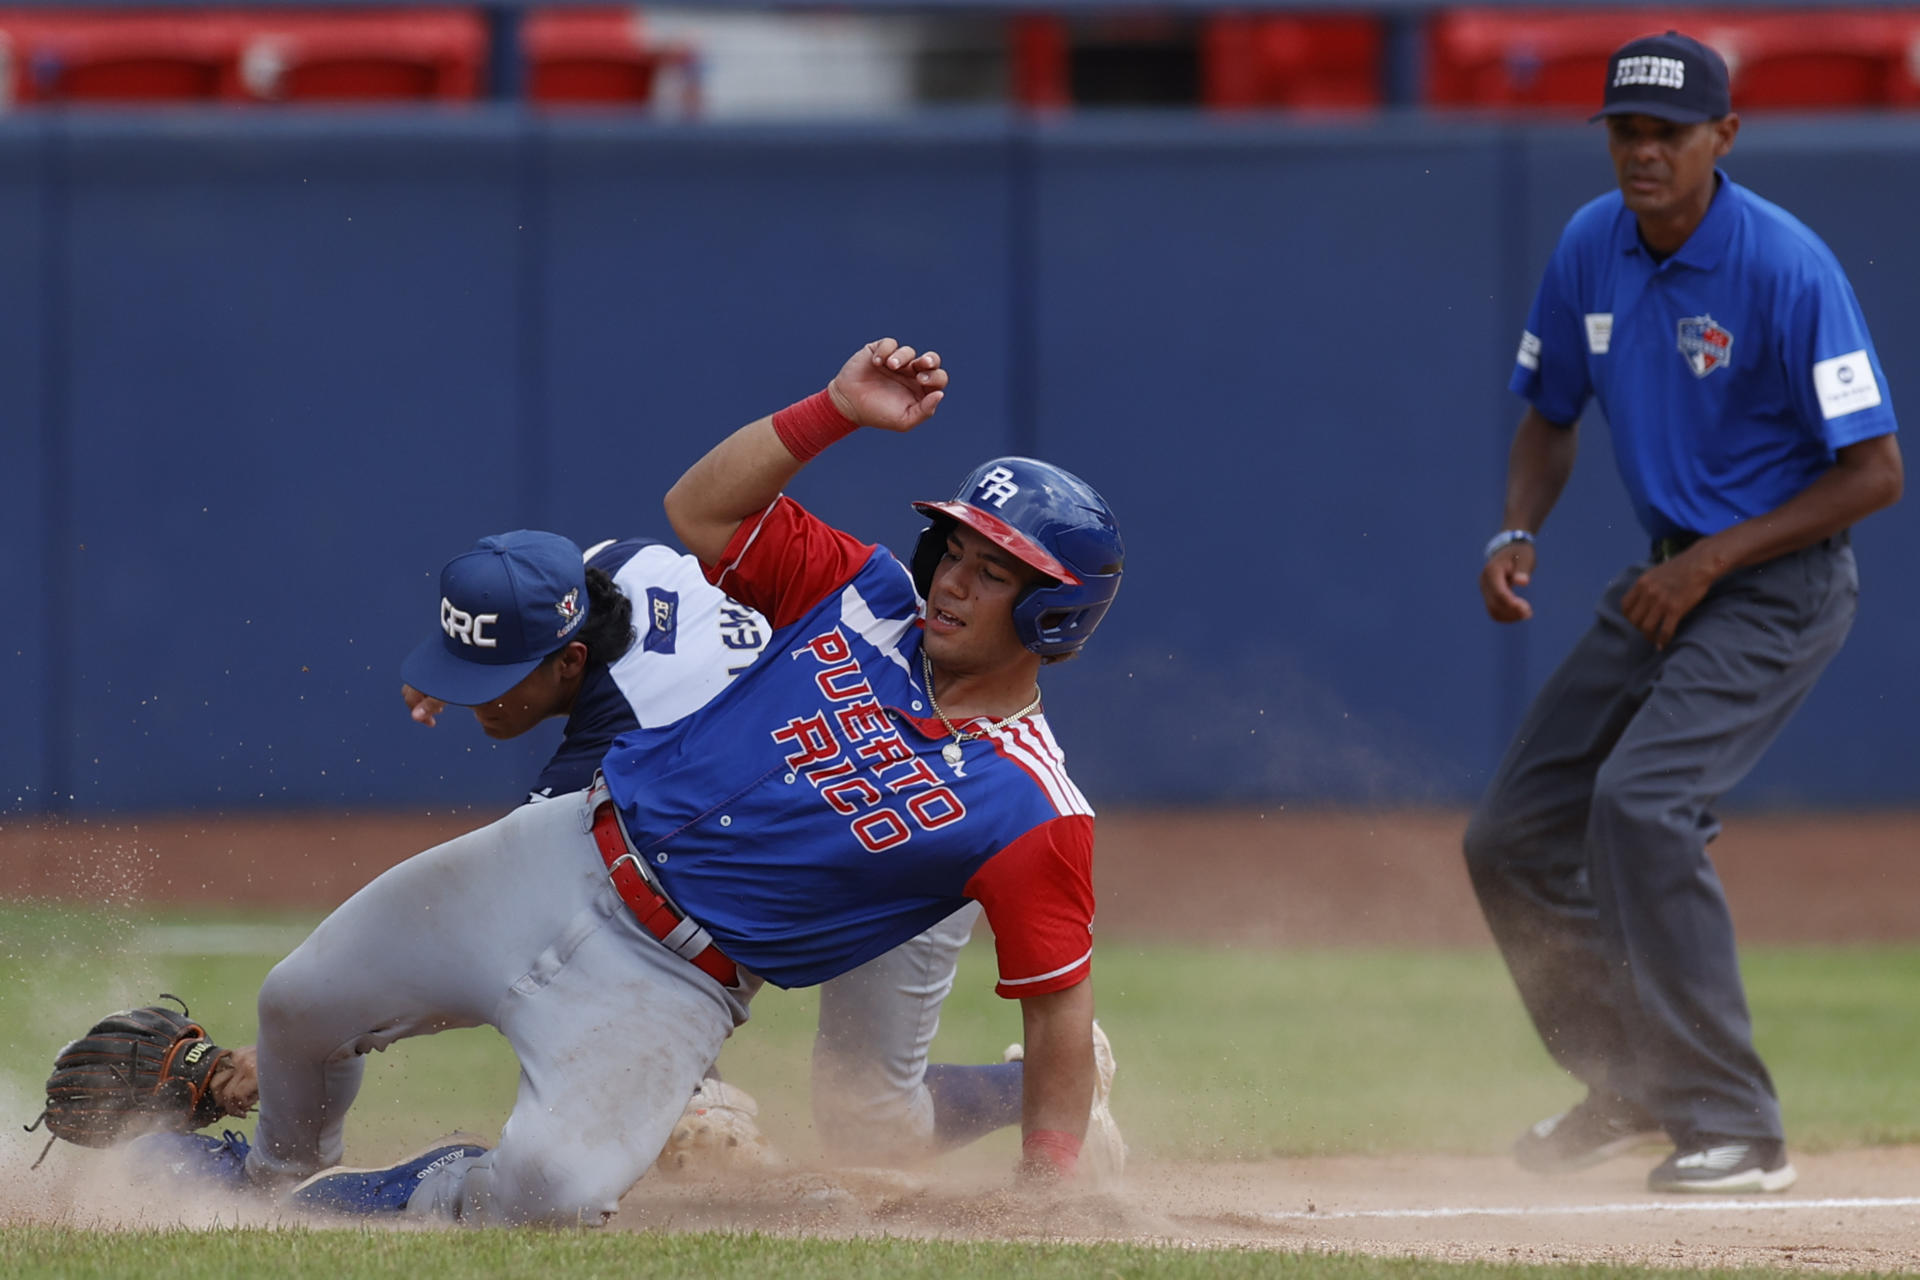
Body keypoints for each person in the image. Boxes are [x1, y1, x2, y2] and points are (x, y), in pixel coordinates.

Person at [202, 337, 1123, 1224]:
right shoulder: (867, 595)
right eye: (954, 553)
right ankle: (274, 1176)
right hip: (564, 849)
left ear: (1052, 616)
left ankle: (405, 1192)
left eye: (993, 573)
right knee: (298, 1001)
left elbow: (1057, 1013)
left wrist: (1049, 1189)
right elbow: (703, 513)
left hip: (682, 977)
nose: (954, 583)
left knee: (546, 1193)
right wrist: (835, 410)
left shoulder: (1030, 806)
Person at [1463, 31, 1902, 1195]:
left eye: (1668, 130)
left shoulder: (1784, 265)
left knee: (1645, 802)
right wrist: (1518, 527)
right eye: (1625, 128)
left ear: (1725, 138)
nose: (1643, 150)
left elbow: (1875, 473)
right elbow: (1549, 410)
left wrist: (1707, 566)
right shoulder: (1589, 245)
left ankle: (1737, 1125)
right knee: (1509, 833)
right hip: (1670, 578)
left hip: (1777, 583)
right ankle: (1632, 1076)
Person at [393, 528, 1121, 1171]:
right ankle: (701, 1091)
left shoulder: (632, 746)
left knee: (870, 1124)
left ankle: (1061, 1080)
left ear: (571, 659)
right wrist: (463, 660)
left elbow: (522, 941)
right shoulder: (620, 567)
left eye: (489, 677)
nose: (479, 691)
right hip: (801, 802)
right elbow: (536, 600)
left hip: (912, 832)